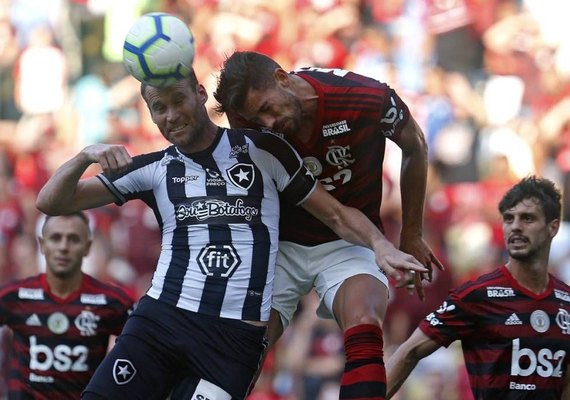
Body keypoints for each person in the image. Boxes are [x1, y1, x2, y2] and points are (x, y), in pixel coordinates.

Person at [35, 69, 427, 400]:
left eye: (178, 100)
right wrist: (85, 156)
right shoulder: (152, 169)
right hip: (161, 322)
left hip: (232, 341)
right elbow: (51, 202)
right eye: (159, 108)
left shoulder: (263, 150)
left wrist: (381, 244)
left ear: (200, 93)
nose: (171, 115)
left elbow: (337, 214)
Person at [214, 50, 443, 399]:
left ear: (281, 78)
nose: (269, 123)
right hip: (281, 243)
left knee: (365, 321)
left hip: (350, 240)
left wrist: (411, 234)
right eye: (257, 118)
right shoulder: (244, 117)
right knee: (243, 347)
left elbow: (415, 145)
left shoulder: (365, 97)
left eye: (268, 109)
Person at [386, 176, 570, 400]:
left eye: (528, 219)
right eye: (509, 219)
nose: (516, 227)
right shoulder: (477, 296)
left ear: (553, 227)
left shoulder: (565, 302)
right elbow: (409, 351)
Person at [0, 212, 134, 399]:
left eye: (73, 239)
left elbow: (149, 348)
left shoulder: (111, 301)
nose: (63, 247)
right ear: (42, 244)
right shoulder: (14, 296)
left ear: (87, 247)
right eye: (55, 238)